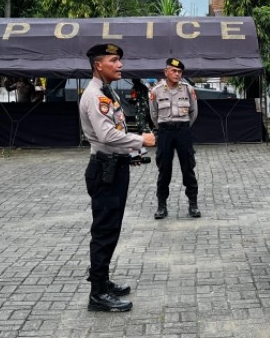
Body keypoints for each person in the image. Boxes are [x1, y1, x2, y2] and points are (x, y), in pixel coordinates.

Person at [79, 43, 156, 312]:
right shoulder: (94, 96)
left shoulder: (105, 90)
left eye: (120, 60)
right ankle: (97, 294)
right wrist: (140, 140)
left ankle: (103, 280)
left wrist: (128, 154)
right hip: (103, 171)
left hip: (113, 166)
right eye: (114, 60)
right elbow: (107, 136)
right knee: (104, 232)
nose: (120, 65)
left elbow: (113, 132)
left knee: (110, 230)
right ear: (98, 65)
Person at [149, 58, 200, 219]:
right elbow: (153, 114)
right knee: (164, 170)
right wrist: (163, 128)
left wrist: (183, 126)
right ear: (166, 72)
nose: (177, 74)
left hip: (183, 131)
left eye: (179, 72)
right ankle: (161, 205)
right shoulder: (156, 91)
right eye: (174, 71)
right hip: (165, 132)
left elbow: (194, 112)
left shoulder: (188, 89)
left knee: (188, 169)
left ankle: (193, 204)